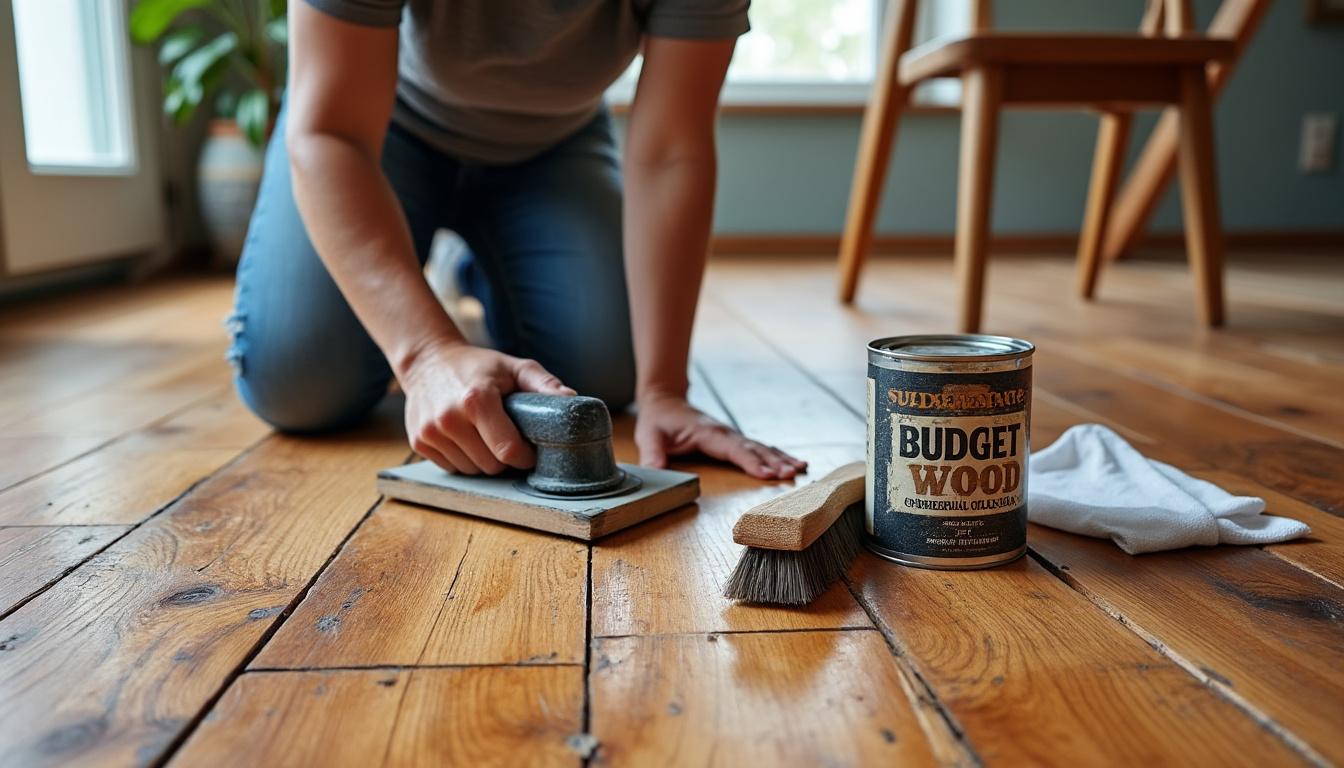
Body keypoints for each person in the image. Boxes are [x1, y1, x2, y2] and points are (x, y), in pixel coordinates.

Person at [227, 0, 806, 481]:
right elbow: (331, 132)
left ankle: (470, 269)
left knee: (604, 376)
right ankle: (439, 294)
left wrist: (664, 390)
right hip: (375, 131)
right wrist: (425, 353)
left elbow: (672, 152)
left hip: (554, 146)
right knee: (299, 385)